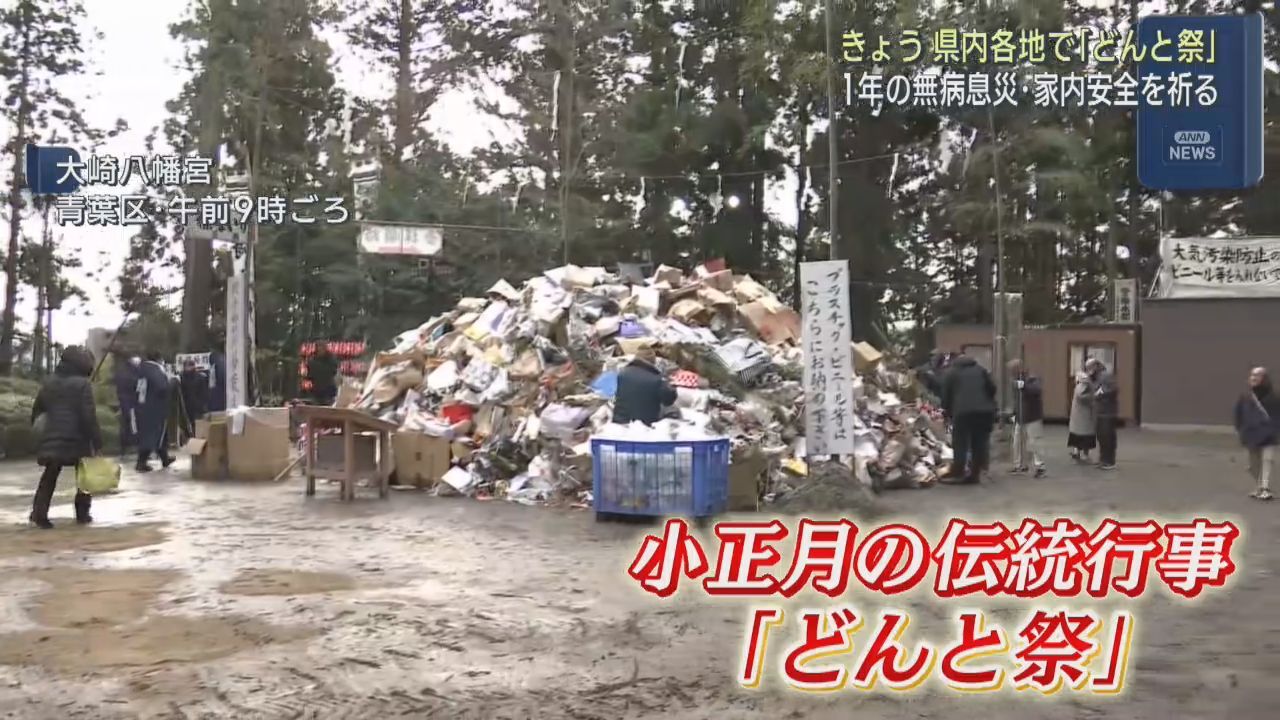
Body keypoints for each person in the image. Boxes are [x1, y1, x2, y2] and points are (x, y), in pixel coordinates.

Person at [29, 346, 102, 528]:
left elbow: (37, 410)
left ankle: (39, 514)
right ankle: (82, 514)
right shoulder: (82, 384)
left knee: (50, 475)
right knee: (84, 475)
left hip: (52, 435)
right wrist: (97, 440)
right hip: (77, 437)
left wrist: (41, 431)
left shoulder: (49, 382)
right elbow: (88, 416)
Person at [940, 352, 997, 485]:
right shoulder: (981, 370)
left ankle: (958, 473)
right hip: (985, 412)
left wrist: (947, 412)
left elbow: (946, 394)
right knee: (979, 442)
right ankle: (975, 474)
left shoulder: (951, 372)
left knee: (960, 442)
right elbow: (993, 388)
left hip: (963, 412)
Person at [1233, 366, 1280, 501]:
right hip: (1251, 435)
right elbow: (1238, 414)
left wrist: (1275, 429)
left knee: (1267, 460)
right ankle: (1259, 486)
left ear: (1264, 379)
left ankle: (1265, 488)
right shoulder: (1245, 396)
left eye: (1257, 375)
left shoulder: (1273, 397)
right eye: (1252, 375)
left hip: (1269, 435)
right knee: (1253, 465)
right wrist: (1240, 429)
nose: (1253, 378)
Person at [612, 348, 678, 425]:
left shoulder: (622, 374)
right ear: (653, 361)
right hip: (645, 425)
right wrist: (671, 387)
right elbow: (669, 400)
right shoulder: (657, 379)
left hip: (620, 422)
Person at [135, 351, 176, 472]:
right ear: (159, 359)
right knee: (153, 434)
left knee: (158, 434)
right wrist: (172, 383)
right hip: (155, 407)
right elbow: (162, 387)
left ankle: (165, 457)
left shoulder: (142, 370)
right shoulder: (154, 370)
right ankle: (141, 462)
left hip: (143, 406)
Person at [1008, 358, 1046, 478]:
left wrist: (1024, 386)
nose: (1012, 373)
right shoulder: (1015, 381)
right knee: (1017, 442)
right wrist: (1014, 413)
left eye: (1014, 370)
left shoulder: (1033, 379)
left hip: (1032, 416)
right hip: (1020, 416)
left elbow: (1037, 390)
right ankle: (1019, 464)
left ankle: (1040, 466)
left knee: (1035, 442)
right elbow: (1016, 399)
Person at [1068, 361, 1098, 463]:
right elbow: (1080, 395)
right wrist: (1092, 397)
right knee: (1085, 433)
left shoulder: (1080, 378)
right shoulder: (1085, 380)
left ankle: (1077, 451)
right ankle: (1084, 454)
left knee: (1077, 432)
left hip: (1078, 413)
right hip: (1084, 413)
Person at [113, 354, 141, 457]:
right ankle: (133, 446)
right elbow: (136, 385)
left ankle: (124, 448)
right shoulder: (133, 373)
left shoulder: (122, 371)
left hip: (124, 402)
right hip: (131, 403)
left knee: (125, 425)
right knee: (133, 425)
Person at [1093, 360, 1119, 470]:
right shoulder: (1102, 376)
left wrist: (1100, 393)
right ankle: (1104, 460)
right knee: (1103, 437)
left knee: (1106, 437)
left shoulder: (1105, 376)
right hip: (1104, 412)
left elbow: (1110, 390)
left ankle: (1107, 461)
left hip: (1106, 413)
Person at [179, 359, 211, 438]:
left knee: (194, 428)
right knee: (193, 428)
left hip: (193, 408)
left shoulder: (199, 378)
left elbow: (204, 393)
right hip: (192, 407)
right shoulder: (182, 378)